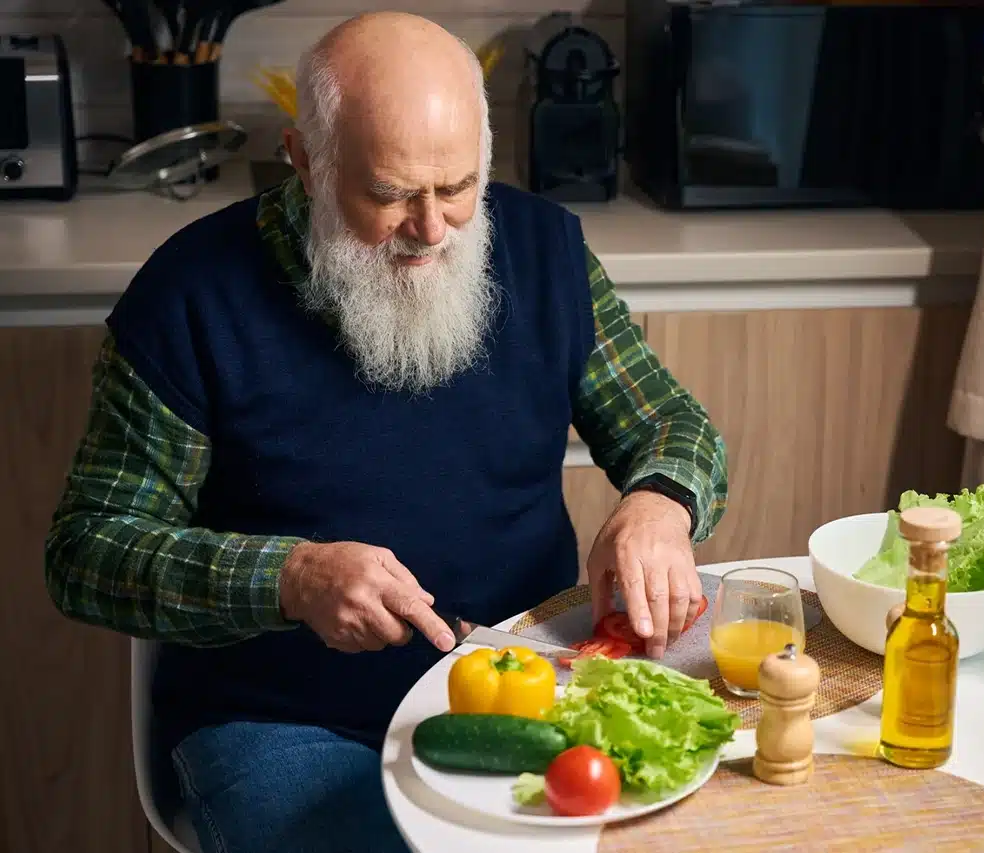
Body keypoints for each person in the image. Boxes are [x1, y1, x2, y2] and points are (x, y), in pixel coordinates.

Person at [44, 12, 727, 853]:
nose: (433, 230)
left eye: (458, 187)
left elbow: (669, 422)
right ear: (304, 159)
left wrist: (662, 499)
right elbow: (88, 552)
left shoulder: (549, 253)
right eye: (391, 193)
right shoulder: (188, 297)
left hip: (528, 686)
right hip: (287, 722)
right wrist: (288, 577)